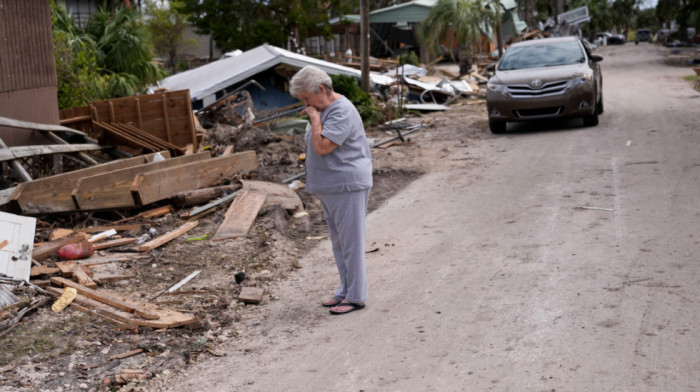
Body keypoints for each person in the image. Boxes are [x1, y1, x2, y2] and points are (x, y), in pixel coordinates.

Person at [289, 65, 373, 315]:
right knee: (340, 242)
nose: (305, 104)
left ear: (321, 89)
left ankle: (356, 296)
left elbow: (324, 146)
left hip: (346, 184)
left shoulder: (341, 111)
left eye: (306, 98)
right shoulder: (325, 109)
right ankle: (345, 289)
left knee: (351, 242)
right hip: (331, 186)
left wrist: (314, 119)